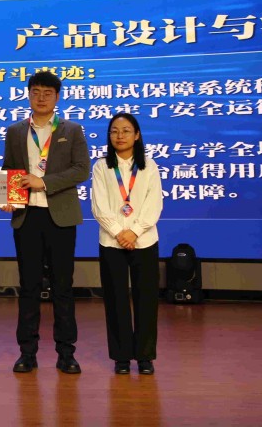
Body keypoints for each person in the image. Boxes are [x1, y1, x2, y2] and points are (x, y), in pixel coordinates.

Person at [2, 71, 90, 374]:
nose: (41, 98)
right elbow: (10, 169)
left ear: (57, 97)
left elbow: (82, 170)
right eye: (36, 92)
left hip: (60, 217)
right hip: (27, 217)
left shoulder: (72, 130)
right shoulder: (15, 131)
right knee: (29, 286)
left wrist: (45, 182)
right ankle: (27, 353)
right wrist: (8, 196)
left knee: (62, 287)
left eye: (47, 93)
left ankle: (66, 353)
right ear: (28, 95)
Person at [91, 112, 164, 376]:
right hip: (111, 243)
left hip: (144, 241)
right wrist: (118, 232)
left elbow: (154, 204)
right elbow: (99, 206)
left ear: (137, 135)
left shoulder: (149, 166)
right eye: (114, 131)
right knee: (116, 300)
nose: (119, 136)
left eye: (125, 131)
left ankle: (145, 356)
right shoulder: (101, 167)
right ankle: (121, 356)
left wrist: (134, 232)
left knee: (147, 300)